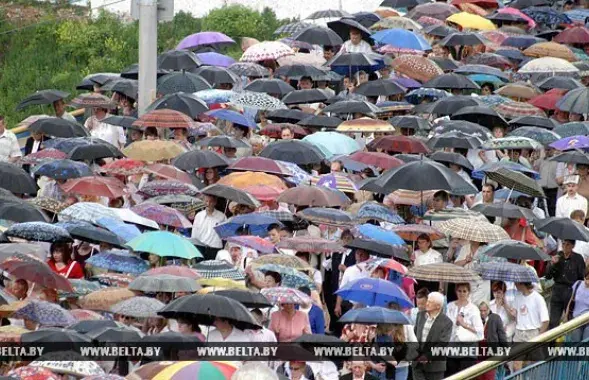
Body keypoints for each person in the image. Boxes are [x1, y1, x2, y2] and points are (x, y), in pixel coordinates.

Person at [445, 283, 484, 377]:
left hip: (468, 350)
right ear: (455, 291)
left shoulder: (473, 309)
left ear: (468, 292)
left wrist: (464, 324)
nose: (462, 293)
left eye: (464, 291)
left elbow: (480, 332)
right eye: (459, 291)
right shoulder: (450, 306)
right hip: (451, 349)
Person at [509, 282, 549, 371]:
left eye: (517, 282)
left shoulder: (538, 298)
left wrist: (539, 336)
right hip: (519, 333)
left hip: (533, 333)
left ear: (522, 283)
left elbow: (545, 320)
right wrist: (512, 313)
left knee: (536, 364)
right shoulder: (518, 297)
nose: (515, 284)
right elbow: (514, 315)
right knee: (516, 364)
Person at [545, 239, 585, 329]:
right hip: (557, 290)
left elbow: (581, 278)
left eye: (568, 245)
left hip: (571, 290)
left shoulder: (578, 258)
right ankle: (552, 342)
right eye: (563, 244)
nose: (565, 247)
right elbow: (548, 276)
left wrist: (576, 294)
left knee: (570, 320)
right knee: (553, 321)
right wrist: (553, 264)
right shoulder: (558, 256)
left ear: (572, 246)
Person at [413, 292, 453, 380]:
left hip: (435, 367)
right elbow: (414, 335)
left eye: (430, 302)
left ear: (438, 306)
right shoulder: (420, 315)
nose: (427, 303)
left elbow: (443, 344)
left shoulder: (447, 322)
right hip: (417, 364)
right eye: (428, 300)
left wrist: (427, 356)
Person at [335, 249, 371, 318]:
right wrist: (338, 305)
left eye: (362, 254)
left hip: (367, 307)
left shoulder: (372, 271)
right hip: (351, 306)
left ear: (367, 256)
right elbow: (342, 289)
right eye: (358, 254)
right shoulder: (349, 270)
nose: (360, 257)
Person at [191, 195, 226, 260]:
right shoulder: (199, 215)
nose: (208, 204)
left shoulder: (222, 216)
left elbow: (225, 234)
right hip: (201, 248)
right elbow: (194, 233)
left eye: (211, 202)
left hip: (215, 248)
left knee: (213, 269)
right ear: (204, 202)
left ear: (215, 203)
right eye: (206, 201)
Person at [478, 301, 507, 380]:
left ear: (488, 309)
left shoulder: (495, 317)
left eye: (485, 310)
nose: (483, 313)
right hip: (479, 353)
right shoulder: (476, 318)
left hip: (491, 352)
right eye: (481, 311)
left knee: (490, 376)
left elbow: (502, 335)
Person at [569, 267, 589, 342]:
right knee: (574, 343)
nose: (587, 282)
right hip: (576, 321)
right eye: (586, 278)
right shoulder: (578, 284)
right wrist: (566, 316)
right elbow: (571, 301)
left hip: (587, 323)